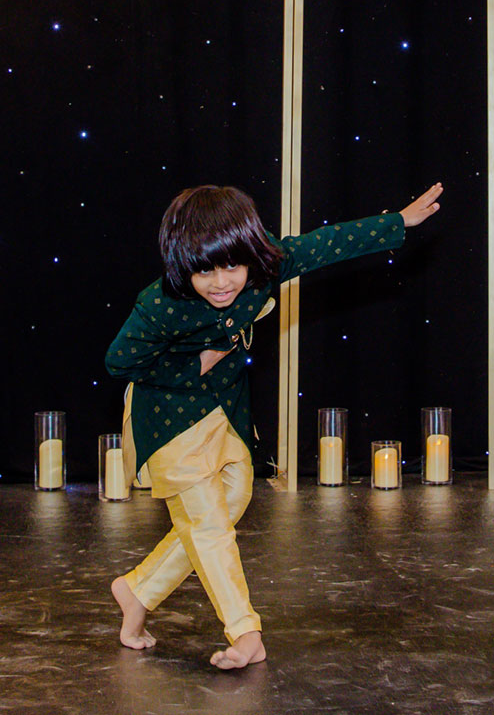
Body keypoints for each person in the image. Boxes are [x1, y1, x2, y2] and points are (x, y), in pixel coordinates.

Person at [107, 181, 443, 670]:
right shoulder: (159, 303)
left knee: (233, 500)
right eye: (205, 271)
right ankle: (245, 632)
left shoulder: (263, 267)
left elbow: (324, 244)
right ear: (183, 265)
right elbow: (119, 362)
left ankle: (138, 590)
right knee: (207, 524)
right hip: (168, 415)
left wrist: (398, 222)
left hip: (224, 408)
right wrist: (192, 364)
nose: (221, 283)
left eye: (231, 267)